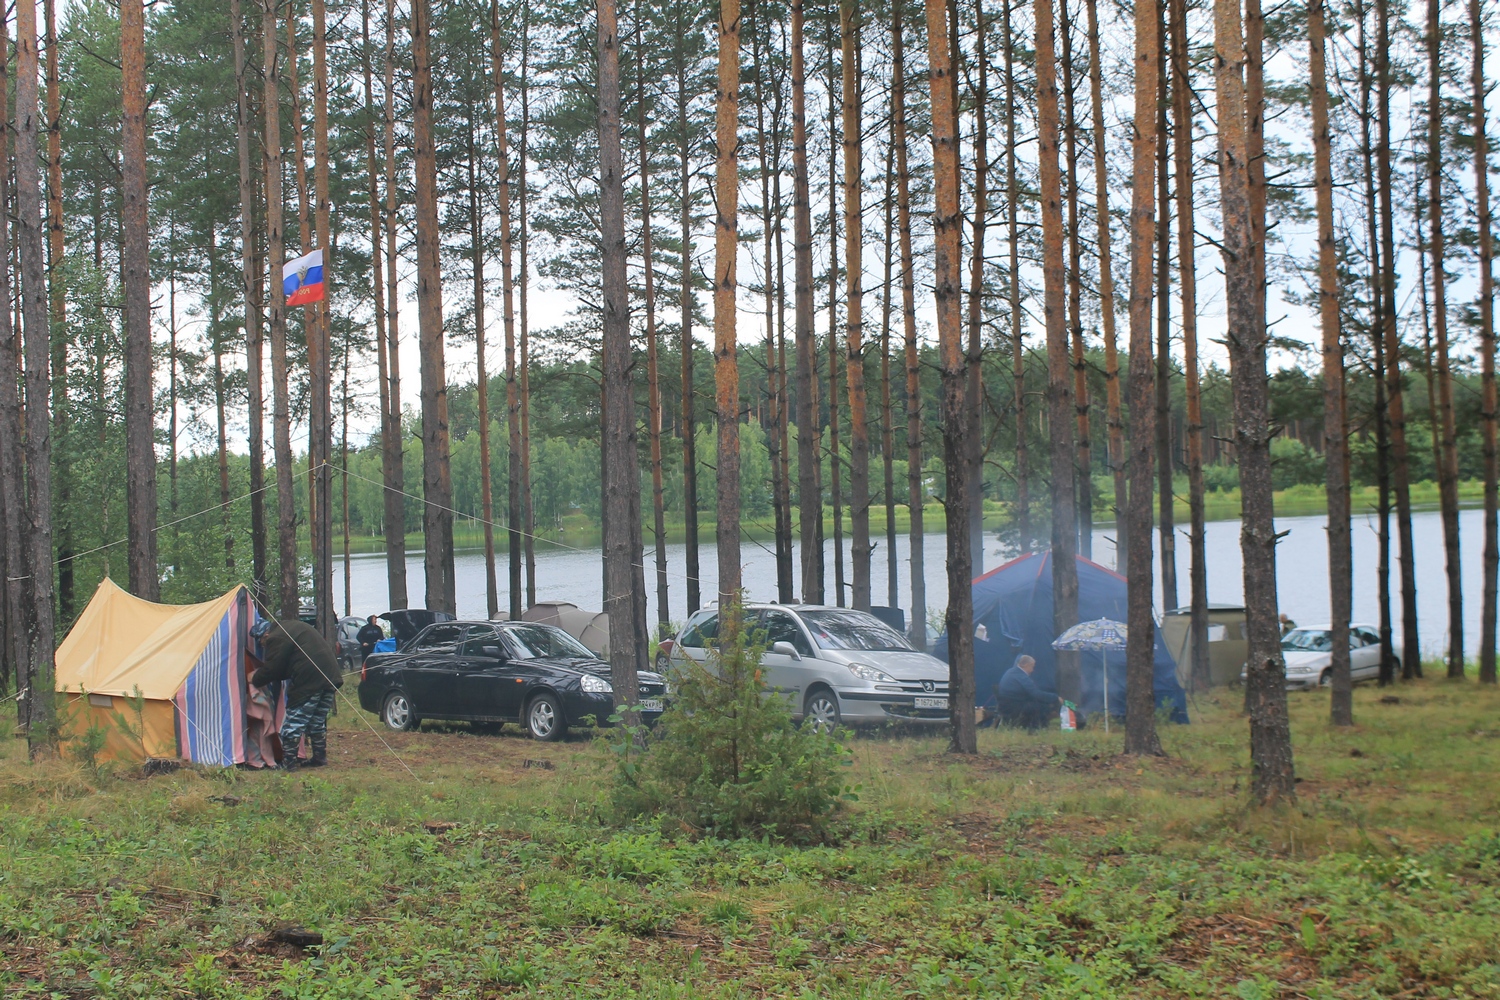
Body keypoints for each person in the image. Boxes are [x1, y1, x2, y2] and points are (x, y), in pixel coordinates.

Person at [250, 618, 343, 771]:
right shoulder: (290, 627)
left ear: (265, 635)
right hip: (331, 677)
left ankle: (288, 763)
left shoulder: (276, 637)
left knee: (293, 722)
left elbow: (273, 668)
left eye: (261, 642)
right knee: (316, 720)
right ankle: (319, 757)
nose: (262, 646)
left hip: (310, 680)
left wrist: (254, 679)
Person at [995, 654, 1061, 731]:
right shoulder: (1021, 676)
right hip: (1014, 707)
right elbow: (1036, 694)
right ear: (1026, 665)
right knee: (1042, 707)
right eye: (1032, 667)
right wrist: (1055, 697)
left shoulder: (1011, 671)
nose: (1033, 670)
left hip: (1005, 705)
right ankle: (1036, 729)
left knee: (1038, 704)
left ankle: (1033, 727)